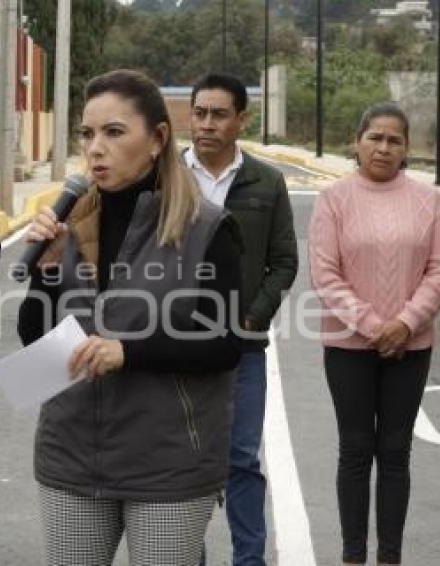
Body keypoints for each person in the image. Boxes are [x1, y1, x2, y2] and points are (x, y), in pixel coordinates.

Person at [17, 69, 243, 566]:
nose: (95, 147)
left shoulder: (206, 228)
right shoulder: (71, 221)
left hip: (167, 464)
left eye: (114, 132)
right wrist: (48, 268)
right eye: (87, 133)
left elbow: (226, 343)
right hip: (71, 454)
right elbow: (34, 339)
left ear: (158, 138)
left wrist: (130, 350)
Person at [309, 102, 440, 566]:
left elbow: (439, 273)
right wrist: (374, 326)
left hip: (411, 348)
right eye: (375, 138)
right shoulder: (334, 200)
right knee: (355, 449)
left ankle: (390, 557)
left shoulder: (427, 201)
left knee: (395, 451)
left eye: (394, 140)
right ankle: (353, 556)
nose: (384, 147)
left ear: (407, 149)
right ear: (357, 141)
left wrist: (405, 323)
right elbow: (325, 274)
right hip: (349, 347)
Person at [185, 72, 298, 566]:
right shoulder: (165, 175)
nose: (207, 124)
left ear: (240, 120)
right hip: (175, 346)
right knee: (183, 464)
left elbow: (284, 261)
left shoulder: (267, 181)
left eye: (219, 114)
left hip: (244, 348)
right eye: (200, 113)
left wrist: (252, 318)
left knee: (242, 462)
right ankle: (186, 555)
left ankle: (248, 559)